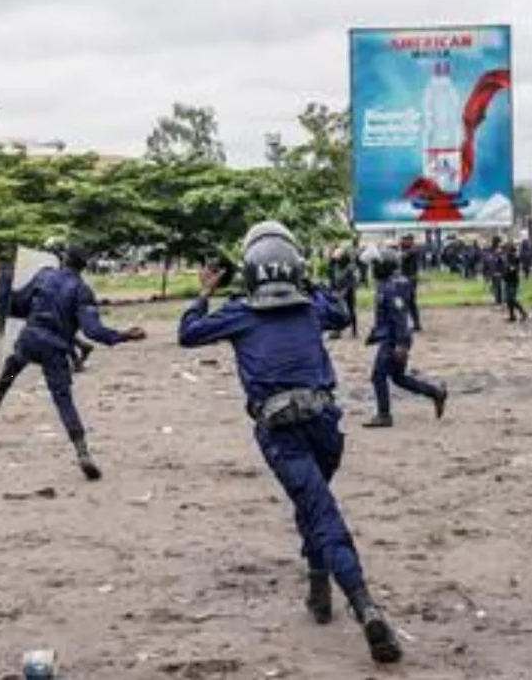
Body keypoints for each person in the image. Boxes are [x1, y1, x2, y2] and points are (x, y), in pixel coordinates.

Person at [176, 221, 404, 665]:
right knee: (314, 501)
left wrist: (203, 291)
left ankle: (365, 607)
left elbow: (188, 332)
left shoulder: (240, 312)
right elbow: (341, 313)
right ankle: (318, 587)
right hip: (325, 424)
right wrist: (311, 281)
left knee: (320, 511)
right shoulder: (311, 310)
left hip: (280, 430)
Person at [0, 245, 145, 481]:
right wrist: (124, 336)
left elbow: (19, 305)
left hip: (31, 338)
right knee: (63, 400)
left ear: (64, 260)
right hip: (56, 349)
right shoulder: (82, 291)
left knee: (12, 365)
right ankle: (82, 452)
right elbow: (93, 330)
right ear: (83, 266)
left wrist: (5, 288)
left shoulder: (44, 276)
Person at [362, 246, 448, 429]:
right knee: (398, 378)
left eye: (375, 265)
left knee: (378, 376)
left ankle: (384, 415)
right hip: (391, 337)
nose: (372, 269)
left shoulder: (391, 287)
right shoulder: (388, 284)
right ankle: (435, 392)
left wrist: (401, 345)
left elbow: (399, 316)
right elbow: (385, 316)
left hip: (394, 339)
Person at [326, 246, 359, 339]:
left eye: (338, 258)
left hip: (348, 291)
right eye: (336, 258)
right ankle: (337, 331)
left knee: (351, 309)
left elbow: (352, 281)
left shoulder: (350, 267)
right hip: (337, 289)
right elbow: (331, 276)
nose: (336, 259)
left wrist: (345, 291)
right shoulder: (335, 265)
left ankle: (354, 331)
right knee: (336, 311)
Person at [398, 234, 423, 332]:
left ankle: (414, 324)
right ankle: (414, 324)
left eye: (405, 240)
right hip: (406, 278)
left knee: (409, 301)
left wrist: (400, 248)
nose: (403, 242)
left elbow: (404, 256)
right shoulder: (407, 249)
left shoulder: (414, 249)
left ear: (411, 240)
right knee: (408, 302)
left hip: (410, 279)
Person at [502, 242, 529, 323]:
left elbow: (512, 269)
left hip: (512, 280)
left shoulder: (513, 259)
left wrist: (507, 270)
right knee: (509, 299)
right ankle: (512, 315)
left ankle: (523, 313)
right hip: (509, 280)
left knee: (511, 298)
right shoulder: (509, 258)